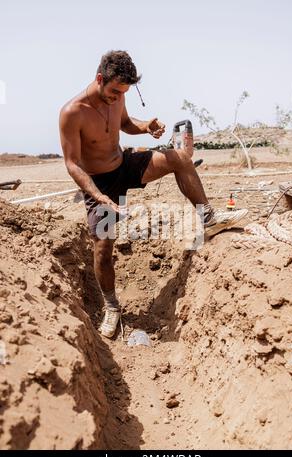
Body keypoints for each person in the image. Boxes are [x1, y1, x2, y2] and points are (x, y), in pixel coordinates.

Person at [59, 50, 247, 339]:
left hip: (124, 165)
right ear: (99, 78)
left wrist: (145, 126)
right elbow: (72, 164)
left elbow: (123, 123)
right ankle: (111, 307)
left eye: (123, 92)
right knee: (103, 250)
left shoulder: (118, 94)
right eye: (113, 91)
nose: (117, 96)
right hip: (100, 184)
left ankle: (208, 218)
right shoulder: (73, 112)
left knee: (179, 157)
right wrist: (99, 196)